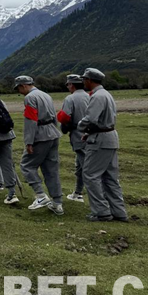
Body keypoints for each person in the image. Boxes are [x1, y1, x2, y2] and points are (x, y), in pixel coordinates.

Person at [79, 68, 128, 222]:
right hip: (110, 137)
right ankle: (119, 211)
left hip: (100, 140)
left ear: (89, 80)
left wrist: (80, 126)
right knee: (110, 177)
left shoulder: (97, 96)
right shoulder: (106, 94)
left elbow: (91, 119)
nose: (83, 82)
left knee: (90, 175)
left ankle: (101, 212)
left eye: (84, 79)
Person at [14, 76, 64, 216]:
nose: (19, 92)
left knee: (26, 165)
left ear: (24, 86)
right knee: (51, 169)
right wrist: (55, 130)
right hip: (53, 133)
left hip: (40, 135)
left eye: (18, 88)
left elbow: (31, 120)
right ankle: (57, 203)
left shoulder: (30, 98)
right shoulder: (45, 95)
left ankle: (40, 195)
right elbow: (54, 116)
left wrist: (29, 142)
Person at [57, 74, 90, 203]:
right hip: (91, 133)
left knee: (86, 166)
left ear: (71, 85)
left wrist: (64, 127)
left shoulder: (70, 98)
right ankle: (77, 192)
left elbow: (65, 117)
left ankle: (98, 197)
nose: (67, 87)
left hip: (78, 134)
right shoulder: (90, 96)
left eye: (68, 84)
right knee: (80, 166)